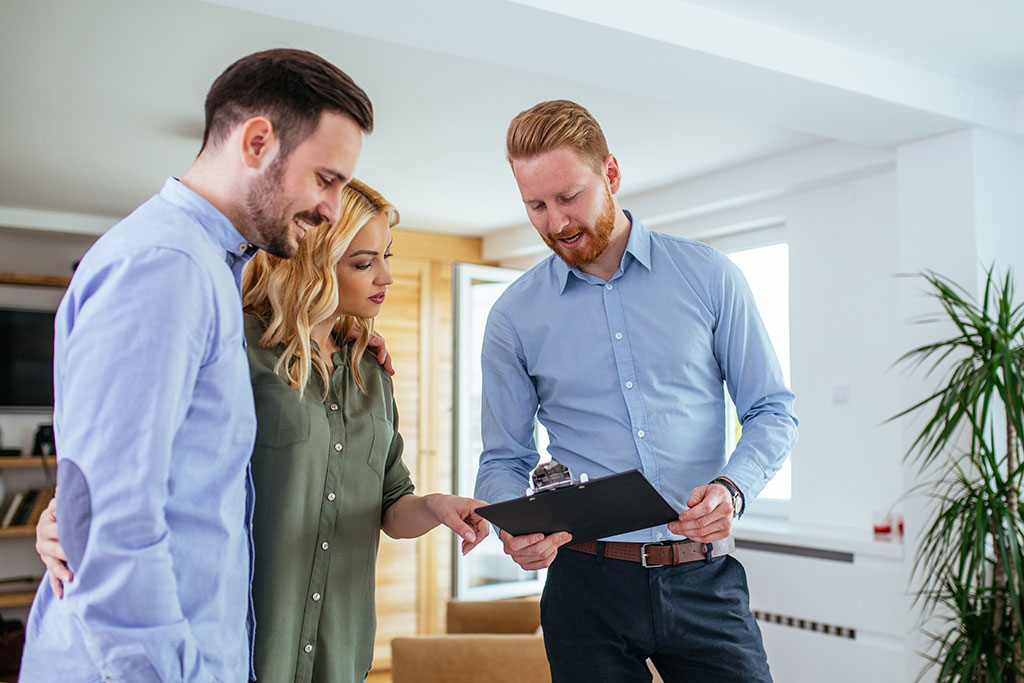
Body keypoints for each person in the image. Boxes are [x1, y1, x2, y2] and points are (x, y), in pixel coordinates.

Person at [35, 179, 490, 683]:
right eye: (363, 262)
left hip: (339, 650)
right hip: (241, 646)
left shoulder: (372, 373)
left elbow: (389, 501)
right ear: (313, 265)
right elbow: (148, 457)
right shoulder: (235, 348)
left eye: (386, 255)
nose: (386, 275)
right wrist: (68, 516)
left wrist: (432, 507)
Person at [21, 48, 373, 683]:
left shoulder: (211, 271)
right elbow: (111, 516)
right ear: (258, 141)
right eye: (326, 179)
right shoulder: (166, 267)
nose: (329, 209)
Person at [474, 100, 798, 682]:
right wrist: (514, 527)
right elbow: (504, 458)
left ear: (611, 174)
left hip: (703, 580)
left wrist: (733, 488)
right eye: (536, 205)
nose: (555, 223)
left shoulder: (709, 277)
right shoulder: (513, 316)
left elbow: (773, 410)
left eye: (568, 196)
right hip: (584, 586)